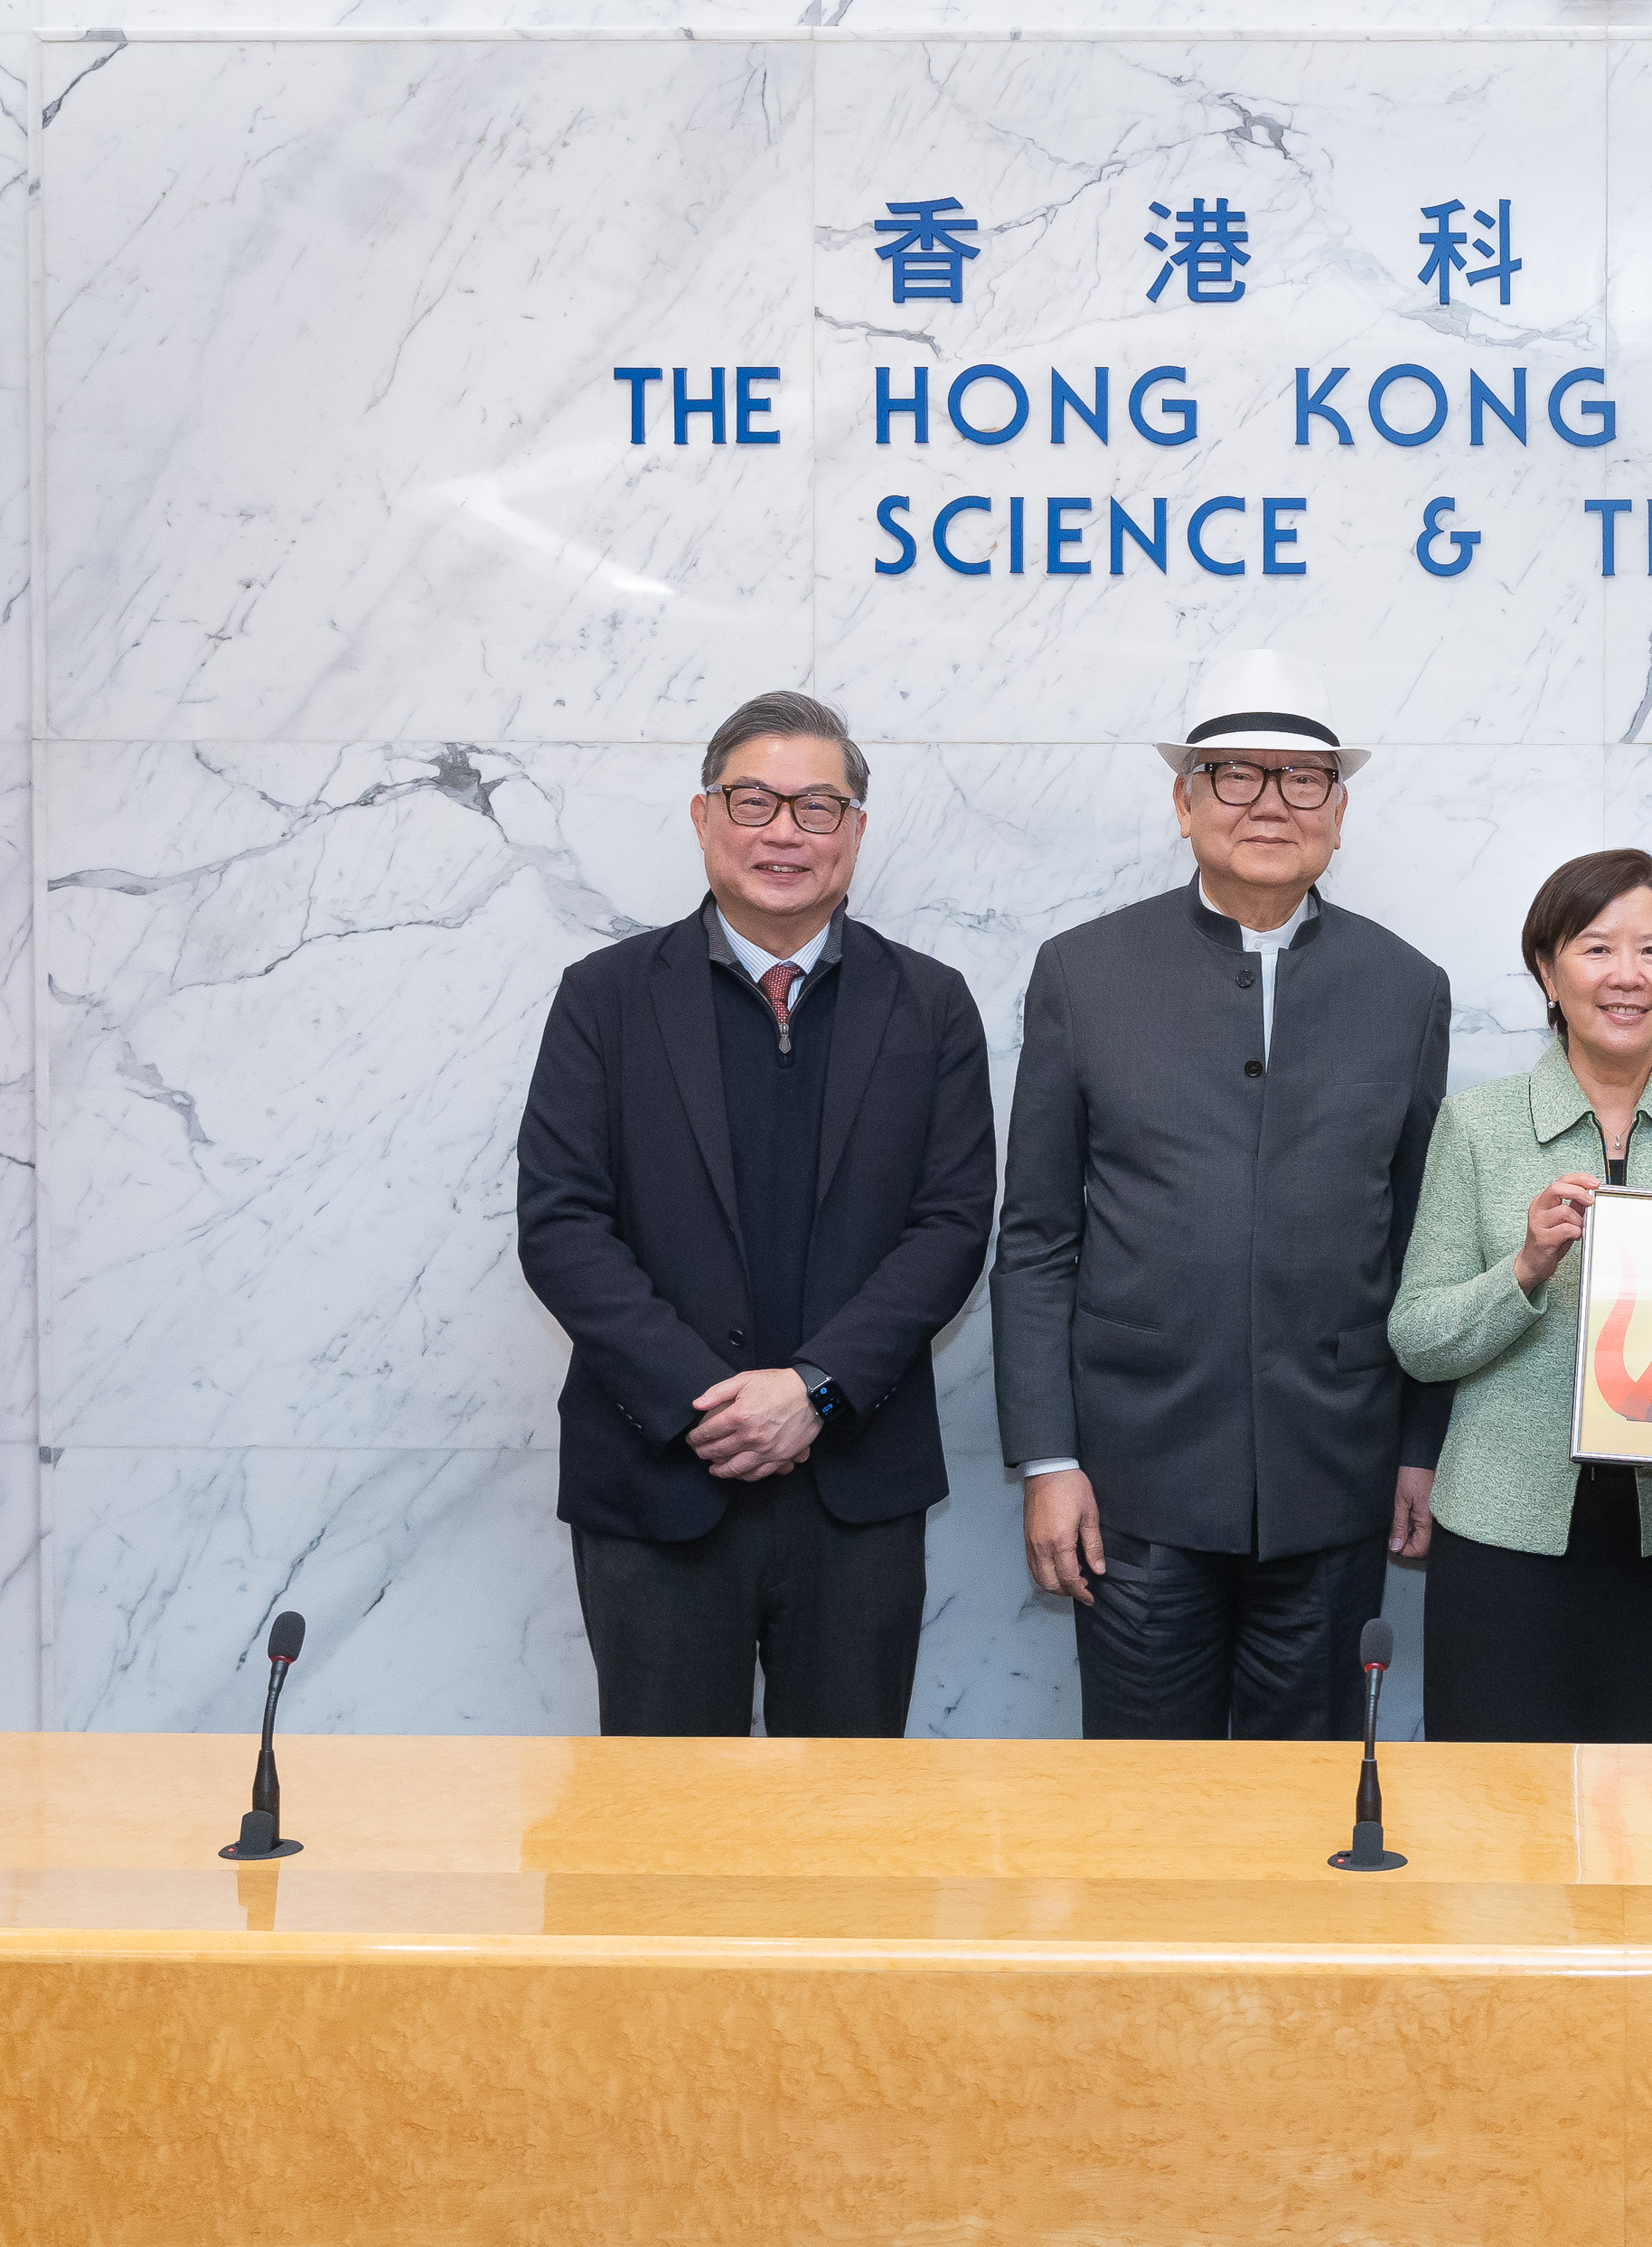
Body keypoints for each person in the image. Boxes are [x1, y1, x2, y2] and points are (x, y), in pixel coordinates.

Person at [515, 691, 995, 1735]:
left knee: (850, 1840)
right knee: (666, 1844)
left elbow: (953, 1225)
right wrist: (711, 1403)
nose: (784, 830)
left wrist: (815, 1392)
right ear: (703, 819)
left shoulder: (931, 1004)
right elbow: (561, 1224)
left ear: (856, 834)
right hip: (657, 1486)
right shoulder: (603, 998)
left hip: (855, 1489)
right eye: (754, 801)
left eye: (818, 806)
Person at [992, 653, 1451, 1738]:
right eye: (1236, 776)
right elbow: (1038, 1239)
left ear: (1340, 811)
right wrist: (1048, 1460)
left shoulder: (1406, 987)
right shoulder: (1083, 971)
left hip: (1336, 1481)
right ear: (1184, 800)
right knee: (1149, 1813)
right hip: (1133, 1484)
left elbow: (1427, 1238)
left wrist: (1420, 1449)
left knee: (1311, 1806)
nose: (1269, 805)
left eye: (1303, 780)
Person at [1389, 851, 1652, 1742]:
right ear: (1546, 971)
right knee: (1494, 1828)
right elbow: (1418, 1336)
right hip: (1501, 1541)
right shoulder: (1479, 1126)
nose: (1627, 977)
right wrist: (1523, 1269)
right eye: (1597, 949)